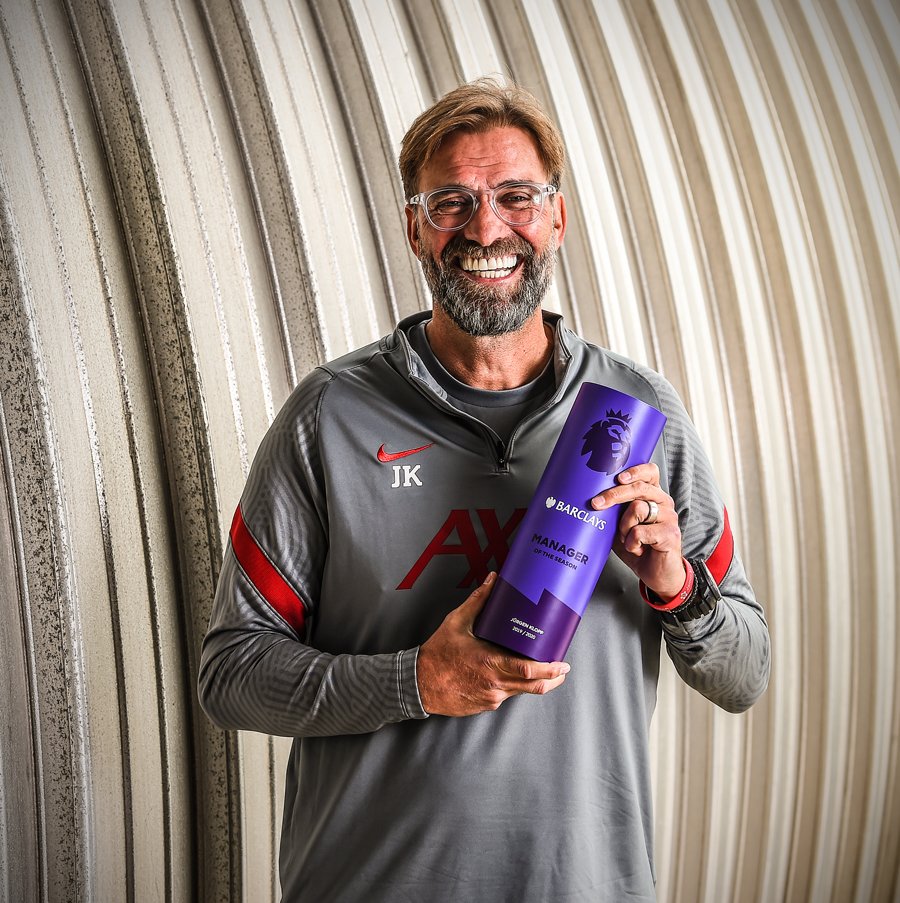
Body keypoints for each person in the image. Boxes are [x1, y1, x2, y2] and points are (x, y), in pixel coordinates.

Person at [199, 78, 770, 902]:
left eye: (515, 197)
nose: (487, 228)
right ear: (415, 229)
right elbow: (230, 672)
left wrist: (677, 587)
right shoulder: (329, 416)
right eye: (452, 202)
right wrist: (414, 680)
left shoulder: (637, 415)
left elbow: (744, 673)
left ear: (557, 217)